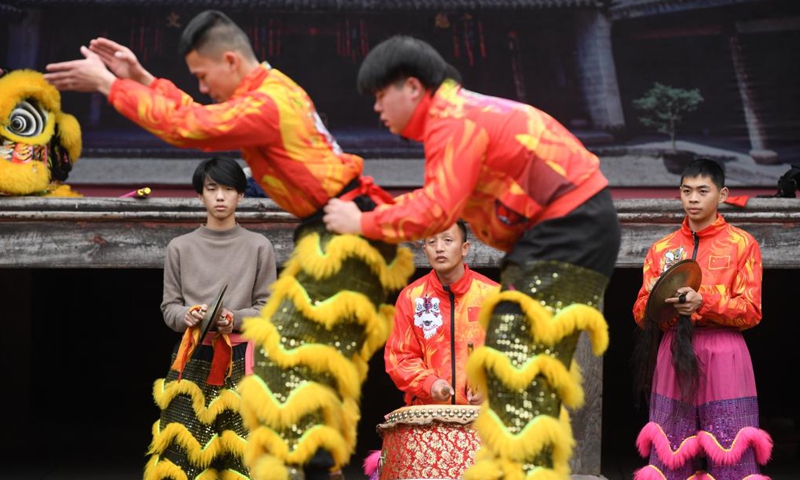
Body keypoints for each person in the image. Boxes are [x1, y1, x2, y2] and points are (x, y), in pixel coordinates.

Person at [44, 11, 414, 480]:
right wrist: (141, 78)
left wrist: (109, 86)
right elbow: (200, 116)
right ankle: (317, 464)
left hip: (345, 232)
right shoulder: (271, 88)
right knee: (295, 367)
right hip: (336, 230)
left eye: (202, 75)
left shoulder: (267, 104)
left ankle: (316, 465)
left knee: (291, 366)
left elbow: (193, 127)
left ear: (231, 60)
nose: (201, 86)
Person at [323, 35, 620, 479]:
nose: (377, 109)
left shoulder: (453, 119)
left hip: (568, 229)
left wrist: (361, 223)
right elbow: (436, 203)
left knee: (515, 370)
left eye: (381, 95)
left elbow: (435, 210)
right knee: (518, 372)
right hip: (562, 232)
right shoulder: (458, 116)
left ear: (412, 87)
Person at [631, 159, 772, 480]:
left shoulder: (742, 245)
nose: (693, 199)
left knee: (730, 447)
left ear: (721, 195)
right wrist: (662, 308)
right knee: (672, 449)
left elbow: (751, 310)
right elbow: (641, 311)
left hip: (725, 351)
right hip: (673, 350)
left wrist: (703, 301)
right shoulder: (662, 249)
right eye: (686, 191)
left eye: (702, 191)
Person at [151, 156, 277, 479]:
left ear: (241, 195)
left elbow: (267, 310)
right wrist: (188, 315)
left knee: (243, 455)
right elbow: (169, 308)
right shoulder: (180, 248)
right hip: (193, 355)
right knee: (183, 454)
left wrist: (232, 320)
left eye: (229, 189)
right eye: (212, 189)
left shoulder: (258, 246)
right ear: (200, 195)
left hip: (241, 359)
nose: (220, 196)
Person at [385, 219, 498, 406]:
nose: (439, 248)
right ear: (424, 251)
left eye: (447, 240)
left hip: (482, 416)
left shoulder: (493, 296)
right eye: (431, 242)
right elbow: (399, 356)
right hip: (428, 415)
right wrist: (430, 383)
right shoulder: (411, 297)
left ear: (465, 248)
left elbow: (511, 354)